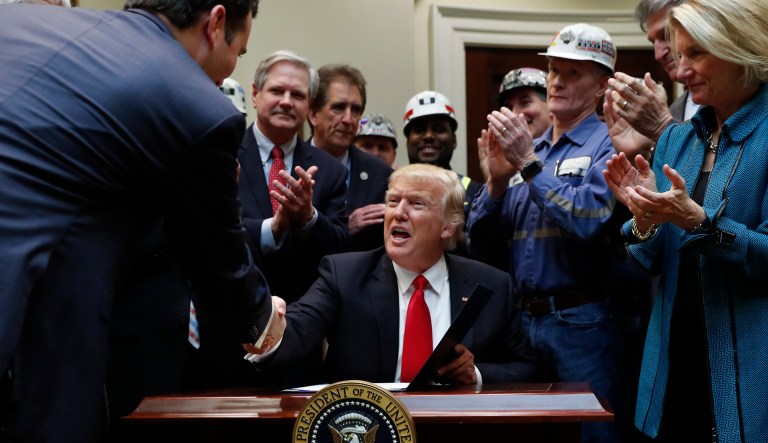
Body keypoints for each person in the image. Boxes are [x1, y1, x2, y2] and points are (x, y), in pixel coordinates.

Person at [0, 2, 285, 442]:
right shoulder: (197, 107)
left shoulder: (21, 22)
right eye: (239, 53)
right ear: (215, 23)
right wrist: (262, 324)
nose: (229, 70)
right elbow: (216, 259)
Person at [603, 0, 768, 440]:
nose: (680, 70)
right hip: (674, 366)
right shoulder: (676, 140)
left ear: (741, 49)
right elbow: (651, 260)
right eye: (680, 55)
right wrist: (644, 217)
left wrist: (703, 225)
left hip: (751, 371)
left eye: (696, 53)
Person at [468, 23, 624, 443]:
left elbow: (589, 220)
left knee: (593, 437)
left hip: (582, 323)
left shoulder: (610, 143)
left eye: (573, 72)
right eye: (554, 69)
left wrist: (527, 165)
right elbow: (481, 247)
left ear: (601, 86)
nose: (557, 81)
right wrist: (496, 184)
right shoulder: (530, 149)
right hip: (521, 323)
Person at [248, 164, 537, 386]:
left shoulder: (492, 285)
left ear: (448, 226)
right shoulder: (344, 275)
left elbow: (528, 369)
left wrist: (475, 374)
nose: (398, 213)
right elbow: (295, 332)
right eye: (393, 201)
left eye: (417, 203)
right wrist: (263, 323)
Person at [238, 50, 351, 305]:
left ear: (310, 106)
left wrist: (309, 218)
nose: (287, 102)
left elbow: (342, 248)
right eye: (277, 91)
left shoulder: (330, 171)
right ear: (255, 94)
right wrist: (272, 229)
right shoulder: (225, 156)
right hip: (234, 306)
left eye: (298, 95)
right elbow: (209, 231)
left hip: (303, 313)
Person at [604, 0, 699, 166]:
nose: (658, 54)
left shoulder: (734, 98)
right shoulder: (675, 109)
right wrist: (638, 156)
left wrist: (663, 127)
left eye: (666, 35)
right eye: (653, 42)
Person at [308, 64, 393, 251]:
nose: (348, 119)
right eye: (338, 108)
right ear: (313, 114)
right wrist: (344, 228)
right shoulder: (291, 164)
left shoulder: (379, 172)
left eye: (355, 110)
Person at [403, 90, 482, 216]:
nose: (428, 136)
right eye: (420, 130)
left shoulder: (475, 194)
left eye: (439, 129)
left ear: (454, 141)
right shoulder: (390, 191)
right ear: (407, 142)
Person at [477, 67, 551, 182]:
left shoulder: (571, 151)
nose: (514, 114)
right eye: (508, 107)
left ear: (551, 102)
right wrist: (494, 182)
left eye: (525, 103)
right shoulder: (505, 160)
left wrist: (526, 160)